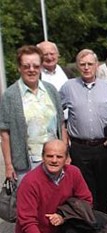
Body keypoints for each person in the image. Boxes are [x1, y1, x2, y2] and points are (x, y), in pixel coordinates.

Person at [15, 140, 96, 233]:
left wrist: (63, 216)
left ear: (66, 158)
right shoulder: (30, 181)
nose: (54, 160)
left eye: (59, 157)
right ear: (43, 156)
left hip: (60, 225)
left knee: (97, 226)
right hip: (34, 232)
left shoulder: (74, 173)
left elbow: (86, 200)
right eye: (49, 156)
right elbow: (27, 221)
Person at [60, 49, 107, 225]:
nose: (87, 67)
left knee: (106, 186)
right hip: (79, 147)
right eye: (83, 64)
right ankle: (90, 222)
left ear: (97, 66)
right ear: (78, 66)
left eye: (90, 64)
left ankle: (105, 224)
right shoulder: (68, 87)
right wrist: (64, 143)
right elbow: (59, 115)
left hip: (103, 145)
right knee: (86, 188)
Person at [0, 45, 66, 182]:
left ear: (41, 67)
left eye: (36, 66)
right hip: (27, 163)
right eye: (26, 66)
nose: (31, 70)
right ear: (19, 67)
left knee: (55, 201)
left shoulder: (51, 90)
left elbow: (61, 125)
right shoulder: (10, 95)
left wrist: (66, 154)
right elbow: (5, 133)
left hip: (54, 160)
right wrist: (8, 165)